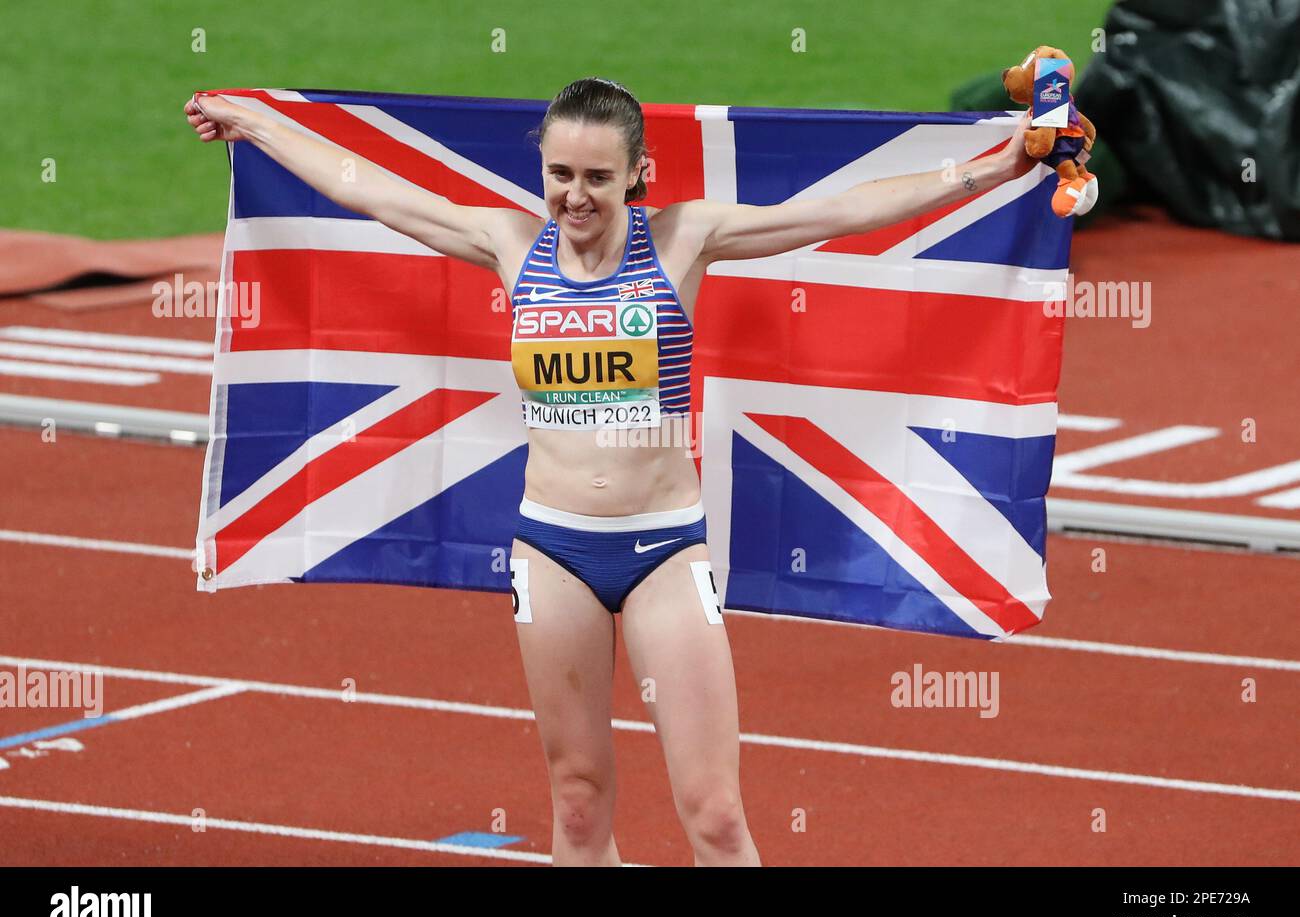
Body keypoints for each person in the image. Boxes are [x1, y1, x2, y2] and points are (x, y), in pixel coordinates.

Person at [185, 77, 1036, 867]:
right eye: (559, 173)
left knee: (715, 813)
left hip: (666, 550)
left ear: (639, 172)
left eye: (598, 176)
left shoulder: (684, 238)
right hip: (551, 551)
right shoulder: (509, 243)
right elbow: (363, 187)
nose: (575, 197)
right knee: (580, 806)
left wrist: (994, 168)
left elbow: (844, 212)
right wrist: (254, 124)